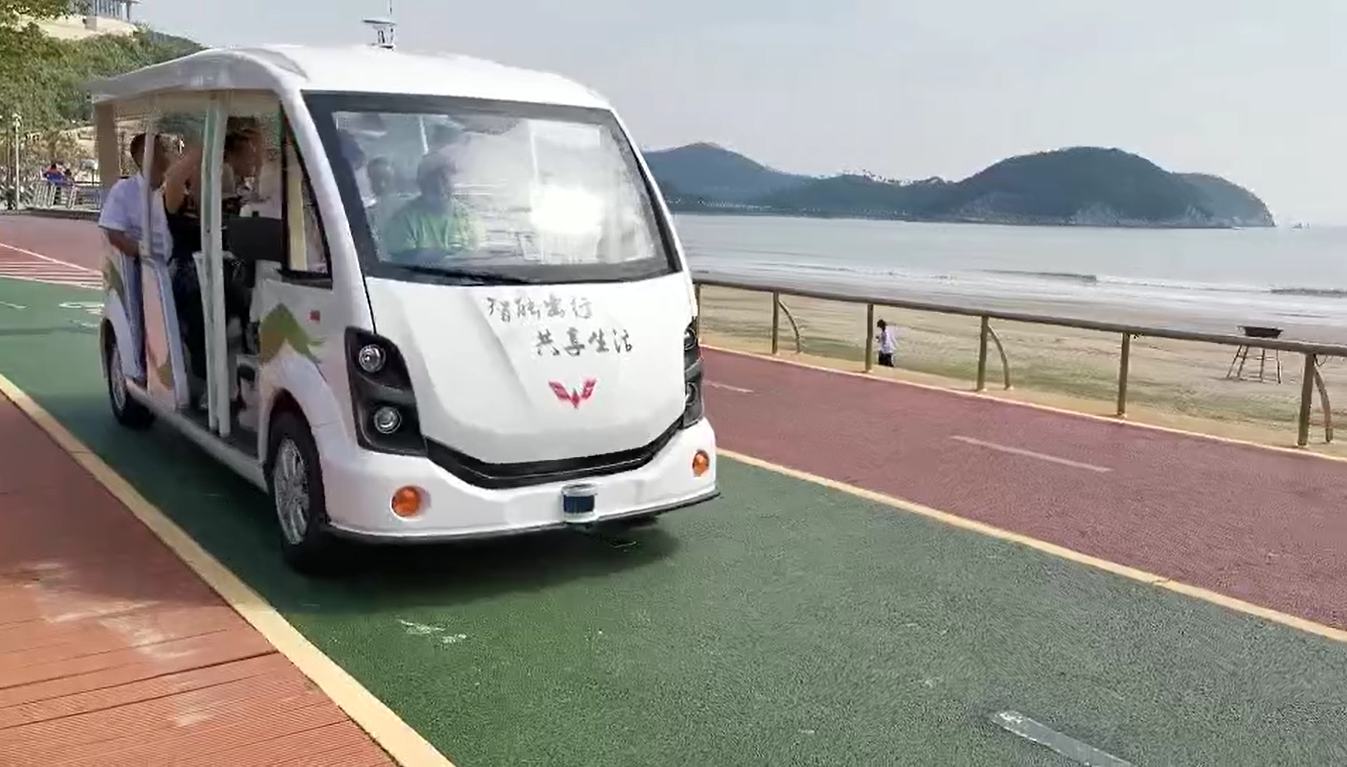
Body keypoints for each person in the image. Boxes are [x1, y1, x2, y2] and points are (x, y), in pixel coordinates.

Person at [379, 151, 480, 260]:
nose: (440, 189)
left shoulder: (468, 218)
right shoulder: (401, 222)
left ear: (453, 183)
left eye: (445, 181)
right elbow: (404, 263)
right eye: (433, 184)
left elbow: (478, 257)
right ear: (421, 185)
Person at [98, 133, 173, 262]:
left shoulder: (176, 189)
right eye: (154, 151)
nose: (161, 155)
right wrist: (144, 256)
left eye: (163, 150)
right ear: (139, 159)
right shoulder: (123, 190)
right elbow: (114, 234)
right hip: (144, 264)